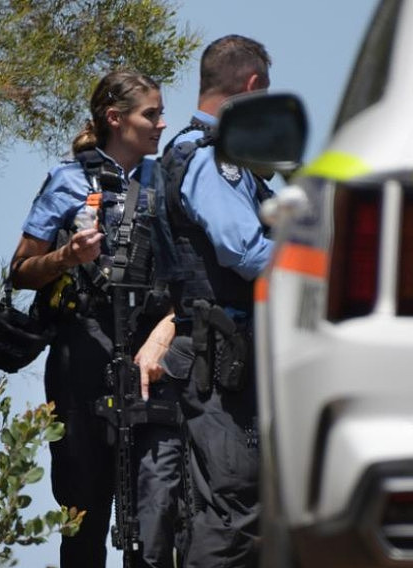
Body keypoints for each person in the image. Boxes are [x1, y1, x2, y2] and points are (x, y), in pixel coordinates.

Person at [9, 69, 182, 568]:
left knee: (153, 516)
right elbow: (20, 272)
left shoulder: (165, 180)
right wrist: (67, 258)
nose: (161, 124)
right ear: (115, 118)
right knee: (83, 510)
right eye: (151, 114)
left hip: (150, 358)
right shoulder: (67, 181)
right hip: (82, 359)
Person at [156, 34, 273, 568]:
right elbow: (245, 250)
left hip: (225, 354)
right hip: (216, 357)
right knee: (232, 506)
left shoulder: (217, 159)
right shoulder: (210, 159)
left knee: (243, 504)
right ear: (250, 87)